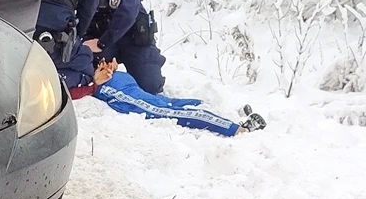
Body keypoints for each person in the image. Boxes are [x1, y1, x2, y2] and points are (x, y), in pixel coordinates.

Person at [74, 60, 267, 136]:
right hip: (115, 78)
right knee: (167, 103)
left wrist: (94, 84)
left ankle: (237, 129)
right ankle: (233, 113)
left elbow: (74, 90)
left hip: (109, 84)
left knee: (164, 110)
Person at [85, 0, 167, 94]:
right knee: (93, 81)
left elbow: (128, 11)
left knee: (150, 86)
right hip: (99, 37)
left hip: (132, 37)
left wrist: (102, 43)